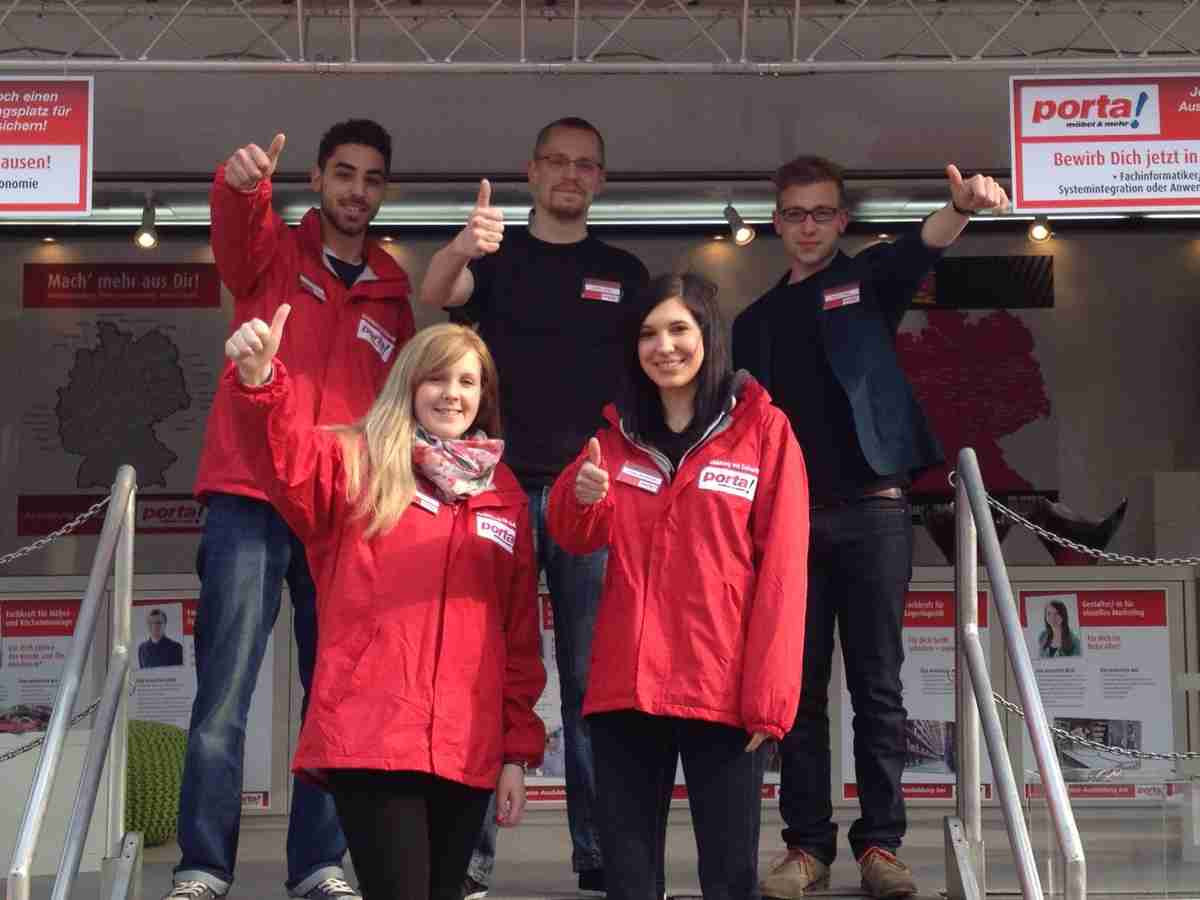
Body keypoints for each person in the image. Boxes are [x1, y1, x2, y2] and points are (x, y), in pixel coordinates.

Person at [736, 156, 1009, 899]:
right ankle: (805, 847)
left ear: (842, 220)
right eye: (794, 213)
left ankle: (881, 846)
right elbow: (745, 437)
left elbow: (922, 245)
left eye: (822, 212)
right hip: (787, 523)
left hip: (875, 510)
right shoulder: (752, 324)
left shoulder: (865, 283)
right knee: (796, 693)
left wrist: (960, 207)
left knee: (879, 688)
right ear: (776, 221)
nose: (808, 227)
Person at [168, 119, 416, 900]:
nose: (356, 191)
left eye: (371, 179)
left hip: (337, 511)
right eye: (344, 174)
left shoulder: (392, 290)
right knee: (222, 698)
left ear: (383, 191)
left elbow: (396, 410)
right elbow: (237, 235)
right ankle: (203, 867)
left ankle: (318, 865)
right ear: (318, 178)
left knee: (333, 694)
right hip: (247, 494)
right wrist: (241, 185)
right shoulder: (274, 250)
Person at [224, 313, 546, 900]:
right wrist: (260, 378)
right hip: (373, 734)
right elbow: (283, 462)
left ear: (484, 397)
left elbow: (518, 635)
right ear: (409, 385)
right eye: (437, 378)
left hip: (466, 745)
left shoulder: (505, 495)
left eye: (468, 382)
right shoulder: (355, 463)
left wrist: (517, 755)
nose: (452, 393)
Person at [419, 117, 656, 897]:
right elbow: (436, 297)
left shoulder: (624, 270)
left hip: (589, 490)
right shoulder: (495, 257)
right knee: (481, 664)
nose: (569, 174)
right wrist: (462, 244)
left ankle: (598, 856)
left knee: (594, 678)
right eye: (556, 161)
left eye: (585, 164)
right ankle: (470, 861)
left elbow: (659, 373)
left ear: (601, 179)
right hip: (495, 485)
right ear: (531, 171)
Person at [547, 273, 810, 900]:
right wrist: (581, 499)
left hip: (722, 688)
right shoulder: (613, 438)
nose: (663, 346)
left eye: (678, 329)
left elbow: (784, 574)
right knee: (630, 881)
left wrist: (770, 700)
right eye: (647, 333)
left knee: (729, 877)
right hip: (626, 689)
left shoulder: (765, 433)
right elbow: (573, 533)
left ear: (708, 336)